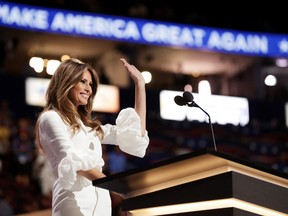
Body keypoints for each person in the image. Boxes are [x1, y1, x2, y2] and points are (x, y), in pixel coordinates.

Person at [35, 58, 149, 216]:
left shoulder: (89, 128)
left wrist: (140, 84)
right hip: (72, 205)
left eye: (91, 84)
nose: (89, 89)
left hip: (101, 205)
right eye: (83, 81)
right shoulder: (50, 118)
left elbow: (136, 134)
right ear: (67, 82)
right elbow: (74, 162)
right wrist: (121, 188)